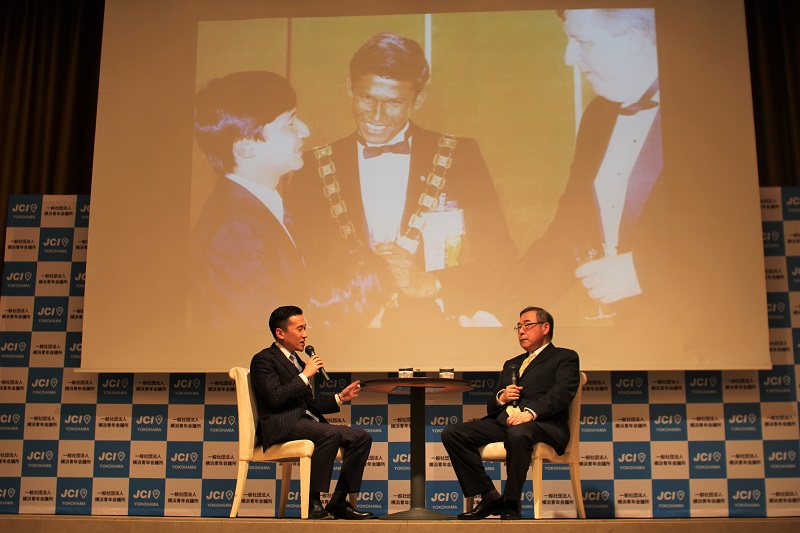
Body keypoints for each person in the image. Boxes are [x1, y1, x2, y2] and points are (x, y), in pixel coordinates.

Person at [287, 32, 517, 328]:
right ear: (350, 87)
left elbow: (500, 259)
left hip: (433, 333)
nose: (376, 115)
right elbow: (298, 270)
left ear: (418, 98)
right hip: (346, 337)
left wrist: (431, 283)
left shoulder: (459, 157)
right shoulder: (312, 168)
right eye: (366, 98)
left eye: (394, 102)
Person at [191, 71, 387, 329]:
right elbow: (280, 334)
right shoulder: (234, 231)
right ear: (245, 146)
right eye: (290, 122)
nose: (305, 130)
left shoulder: (260, 206)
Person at [522, 9, 665, 324]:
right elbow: (568, 229)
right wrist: (508, 311)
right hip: (620, 330)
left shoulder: (708, 113)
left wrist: (642, 271)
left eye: (582, 41)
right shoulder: (598, 115)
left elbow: (729, 237)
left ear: (632, 41)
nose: (569, 57)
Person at [441, 306, 580, 520]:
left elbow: (561, 394)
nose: (521, 331)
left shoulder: (565, 357)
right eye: (518, 327)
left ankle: (511, 501)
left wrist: (531, 413)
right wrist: (502, 397)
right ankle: (490, 496)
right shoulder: (512, 363)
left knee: (518, 434)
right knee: (453, 433)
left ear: (545, 328)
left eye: (527, 325)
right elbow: (491, 406)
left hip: (543, 424)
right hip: (505, 422)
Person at [250, 305, 375, 520]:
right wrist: (304, 376)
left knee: (361, 437)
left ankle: (338, 502)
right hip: (281, 424)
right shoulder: (264, 359)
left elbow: (310, 404)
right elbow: (275, 397)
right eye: (299, 329)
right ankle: (312, 503)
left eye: (305, 328)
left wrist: (340, 398)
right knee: (329, 433)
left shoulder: (297, 361)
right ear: (280, 333)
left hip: (303, 421)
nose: (305, 335)